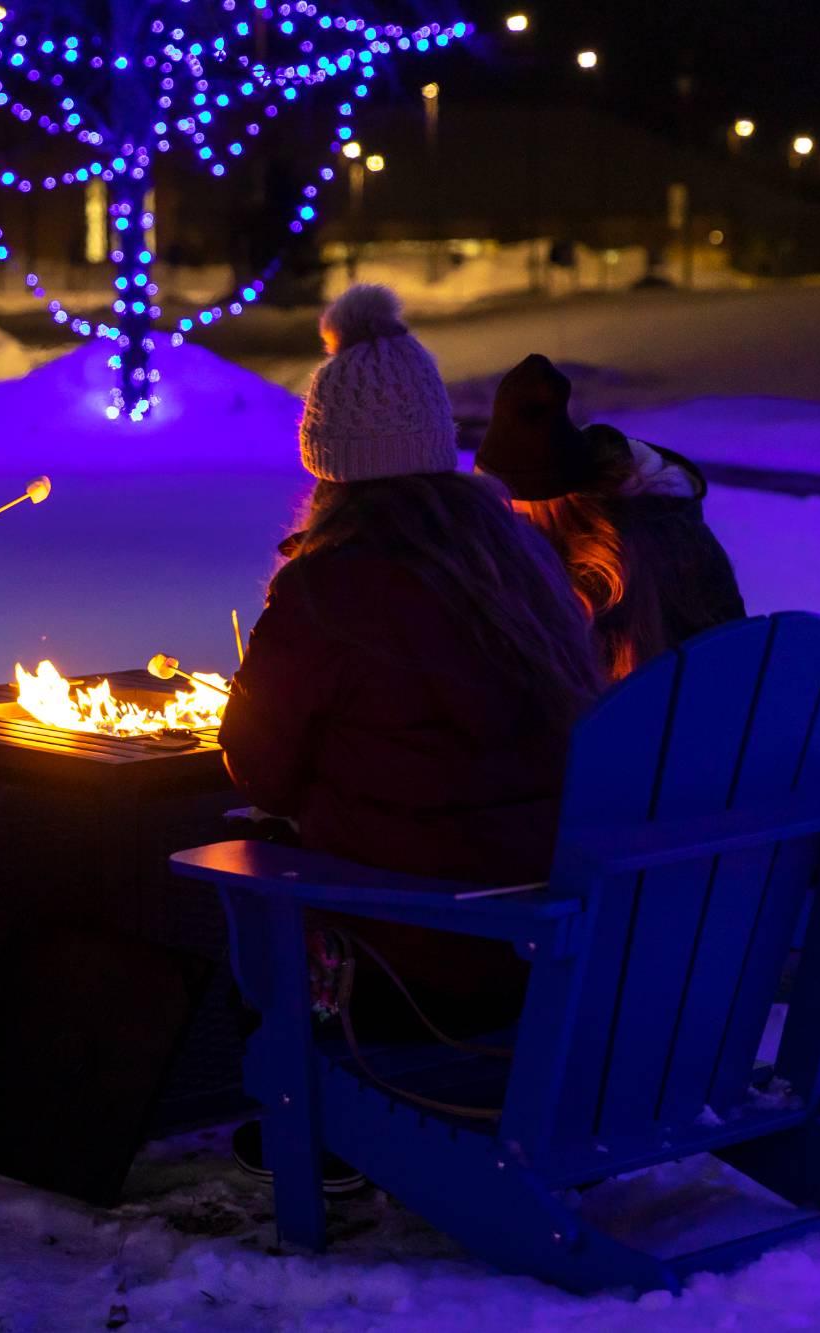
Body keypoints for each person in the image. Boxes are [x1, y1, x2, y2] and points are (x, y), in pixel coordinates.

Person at [218, 285, 605, 1189]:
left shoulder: (326, 590)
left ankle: (320, 1120)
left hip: (412, 971)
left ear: (330, 466)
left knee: (240, 863)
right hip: (550, 948)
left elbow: (258, 768)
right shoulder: (522, 568)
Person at [477, 354, 747, 680]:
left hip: (643, 724)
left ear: (530, 507)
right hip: (725, 709)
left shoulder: (577, 589)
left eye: (502, 501)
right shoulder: (675, 527)